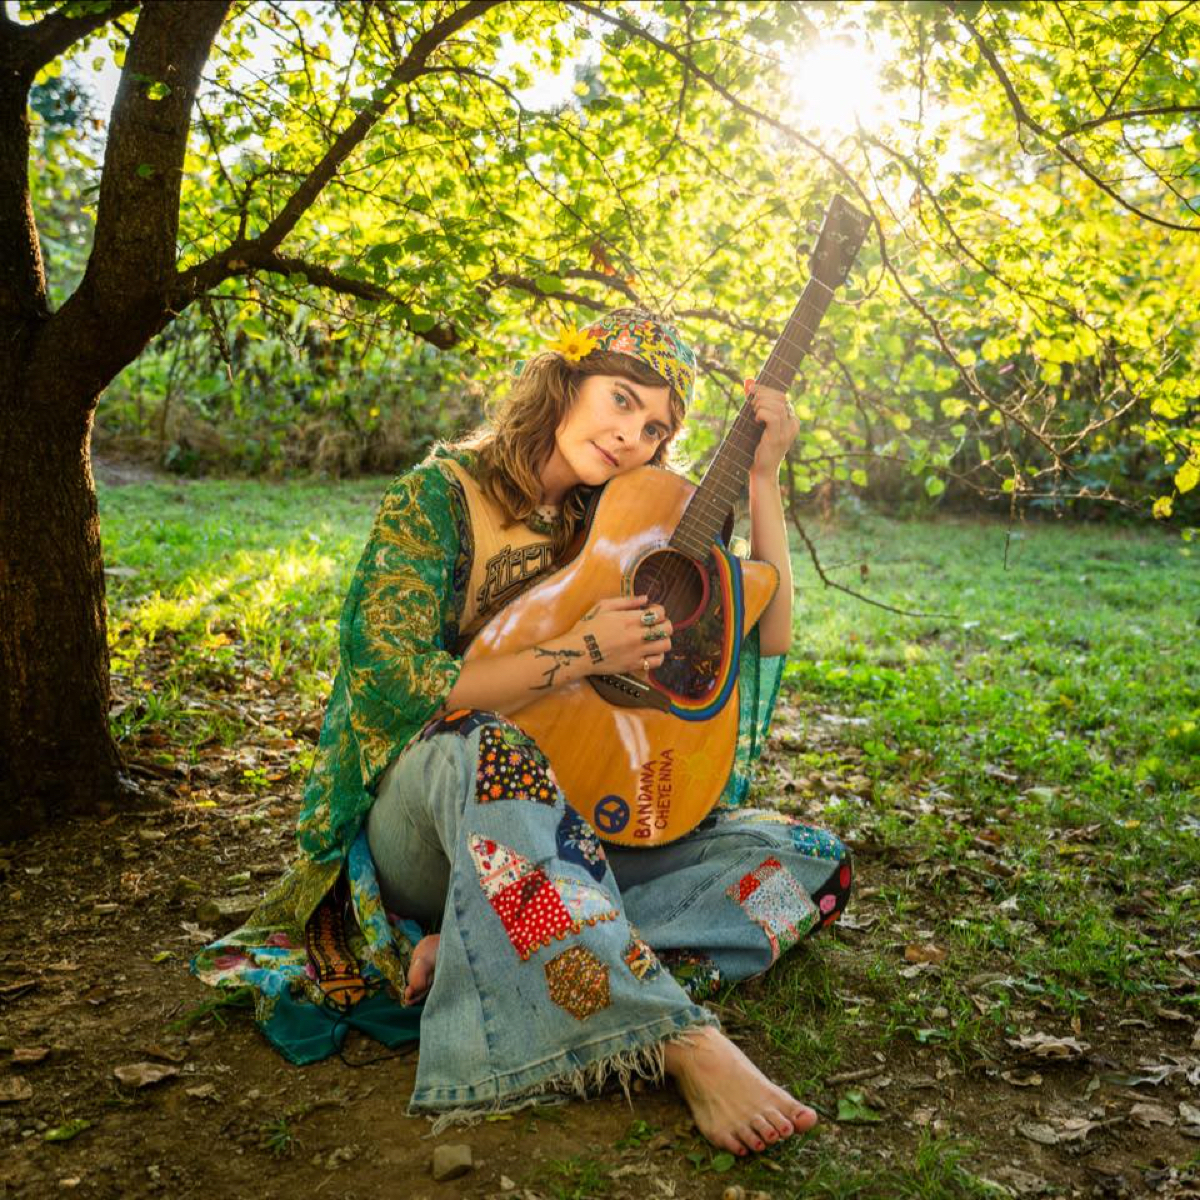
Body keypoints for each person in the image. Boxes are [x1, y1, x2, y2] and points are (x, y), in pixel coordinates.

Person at [192, 308, 852, 1157]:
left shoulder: (627, 522)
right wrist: (582, 650)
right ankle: (678, 1035)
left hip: (570, 840)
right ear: (564, 380)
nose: (631, 435)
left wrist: (763, 479)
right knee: (493, 747)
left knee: (806, 863)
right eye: (620, 399)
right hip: (429, 816)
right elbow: (400, 684)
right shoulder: (439, 496)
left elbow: (766, 633)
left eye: (654, 427)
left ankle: (483, 950)